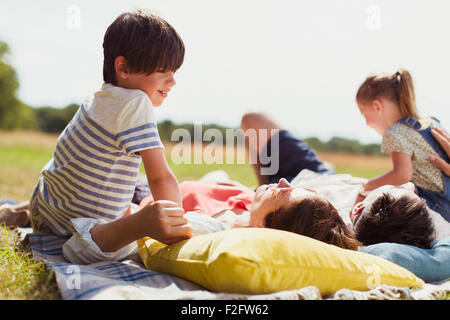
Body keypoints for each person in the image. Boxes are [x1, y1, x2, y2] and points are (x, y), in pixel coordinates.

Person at [28, 10, 193, 260]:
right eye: (163, 70)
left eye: (174, 71)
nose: (172, 81)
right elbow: (160, 178)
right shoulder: (136, 102)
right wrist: (176, 227)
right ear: (123, 67)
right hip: (86, 236)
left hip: (46, 208)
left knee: (130, 206)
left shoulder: (99, 98)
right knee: (144, 223)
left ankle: (20, 212)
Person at [240, 112, 448, 249]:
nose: (407, 185)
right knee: (253, 122)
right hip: (321, 175)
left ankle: (261, 191)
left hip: (293, 198)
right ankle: (263, 186)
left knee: (253, 125)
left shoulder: (339, 227)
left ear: (358, 210)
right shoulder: (425, 218)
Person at [355, 68, 449, 220]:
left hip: (439, 206)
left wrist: (366, 186)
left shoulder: (394, 132)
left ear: (377, 106)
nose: (366, 122)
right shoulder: (430, 122)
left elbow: (402, 174)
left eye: (364, 113)